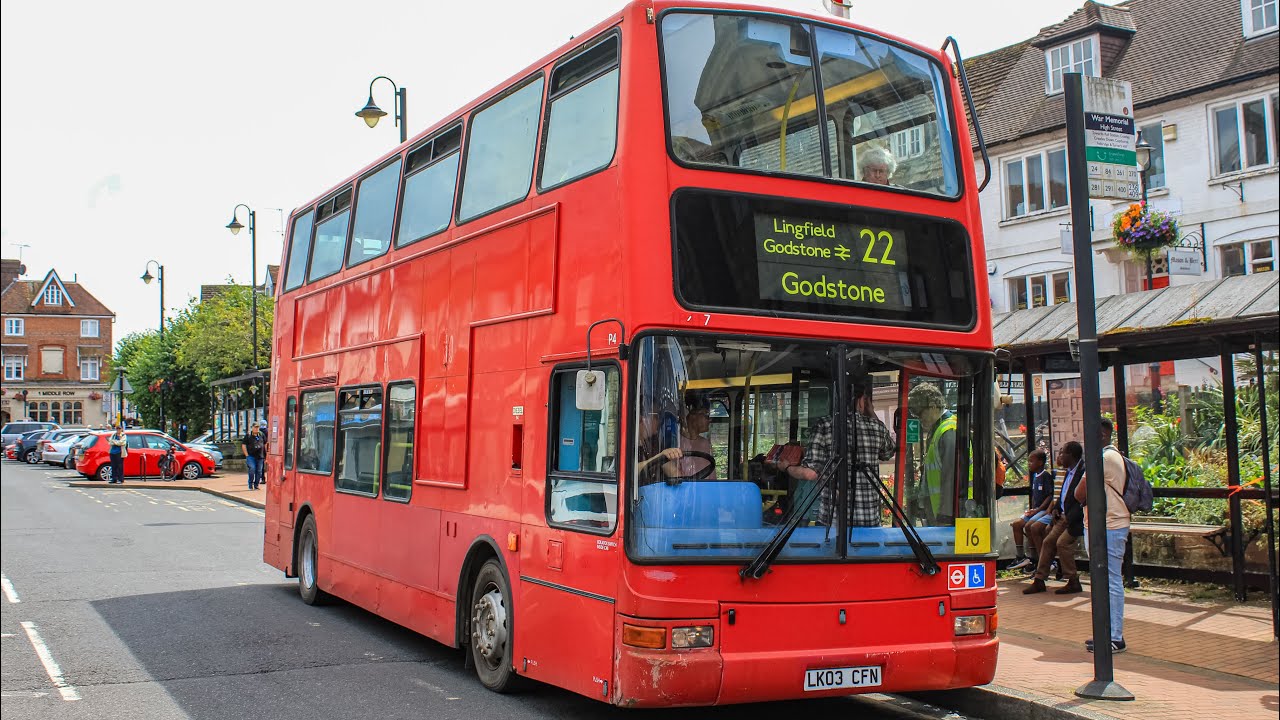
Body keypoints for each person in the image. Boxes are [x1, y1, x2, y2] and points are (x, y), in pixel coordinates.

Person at [777, 379, 896, 527]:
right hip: (869, 521)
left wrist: (787, 467)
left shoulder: (825, 425)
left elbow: (810, 474)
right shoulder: (877, 427)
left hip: (833, 523)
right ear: (861, 402)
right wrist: (871, 411)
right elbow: (889, 452)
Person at [1075, 417, 1131, 654]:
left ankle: (1115, 636)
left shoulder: (1102, 459)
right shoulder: (1114, 455)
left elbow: (1080, 493)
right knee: (1107, 580)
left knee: (1110, 580)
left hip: (1108, 526)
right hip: (1109, 524)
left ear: (1101, 435)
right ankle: (1108, 633)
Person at [1024, 441, 1085, 595]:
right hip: (1062, 516)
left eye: (1062, 453)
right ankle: (1039, 580)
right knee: (1048, 542)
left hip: (1075, 518)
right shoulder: (1068, 471)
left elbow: (1080, 498)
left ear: (1071, 455)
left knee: (1062, 543)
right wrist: (1057, 507)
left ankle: (1073, 580)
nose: (1060, 456)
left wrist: (1069, 516)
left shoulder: (1083, 471)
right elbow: (1064, 494)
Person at [907, 383, 955, 525]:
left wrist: (946, 515)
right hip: (937, 514)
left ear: (933, 405)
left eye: (920, 413)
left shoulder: (948, 430)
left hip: (946, 517)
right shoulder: (937, 430)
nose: (919, 419)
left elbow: (950, 477)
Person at [637, 395, 716, 480]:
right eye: (656, 416)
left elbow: (674, 473)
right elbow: (628, 471)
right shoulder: (625, 442)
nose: (659, 420)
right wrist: (659, 457)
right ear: (641, 418)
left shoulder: (654, 443)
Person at [1009, 449, 1055, 570]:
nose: (1029, 463)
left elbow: (1050, 496)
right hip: (1036, 509)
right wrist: (1031, 509)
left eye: (1031, 461)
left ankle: (1039, 559)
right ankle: (1021, 556)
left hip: (1042, 510)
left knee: (1030, 526)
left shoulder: (1046, 476)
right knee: (1016, 524)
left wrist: (1038, 509)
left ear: (1040, 462)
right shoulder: (1035, 476)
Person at [242, 420, 268, 490]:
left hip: (260, 456)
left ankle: (256, 485)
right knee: (252, 469)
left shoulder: (261, 435)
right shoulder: (248, 435)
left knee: (259, 471)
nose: (256, 429)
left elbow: (265, 444)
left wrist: (266, 454)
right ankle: (250, 484)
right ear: (252, 428)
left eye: (258, 427)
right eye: (255, 427)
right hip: (251, 456)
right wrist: (246, 455)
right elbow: (243, 445)